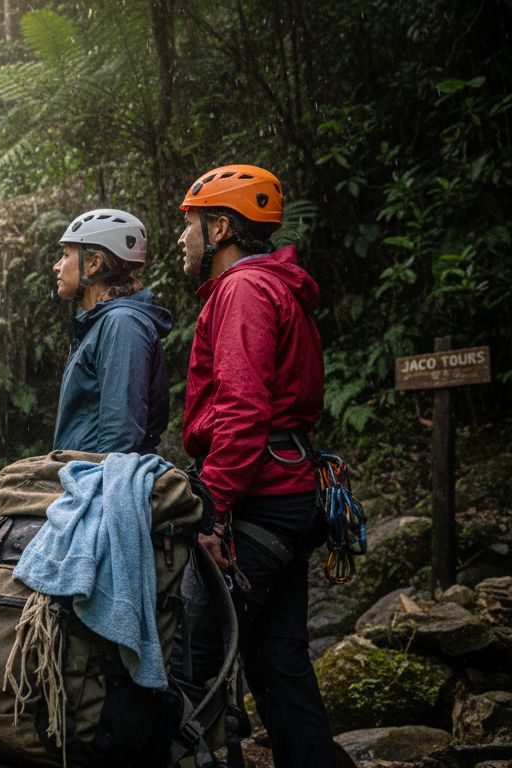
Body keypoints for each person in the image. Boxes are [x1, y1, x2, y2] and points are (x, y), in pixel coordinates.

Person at [174, 164, 334, 767]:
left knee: (197, 656)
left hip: (256, 499)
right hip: (290, 493)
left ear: (219, 228)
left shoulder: (243, 291)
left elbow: (243, 411)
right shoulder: (277, 286)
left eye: (189, 226)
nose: (182, 239)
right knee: (279, 661)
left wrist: (211, 508)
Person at [51, 208, 171, 454]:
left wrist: (99, 488)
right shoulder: (100, 324)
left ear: (94, 263)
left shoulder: (122, 324)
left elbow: (120, 439)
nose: (57, 266)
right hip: (85, 478)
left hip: (100, 484)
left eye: (65, 255)